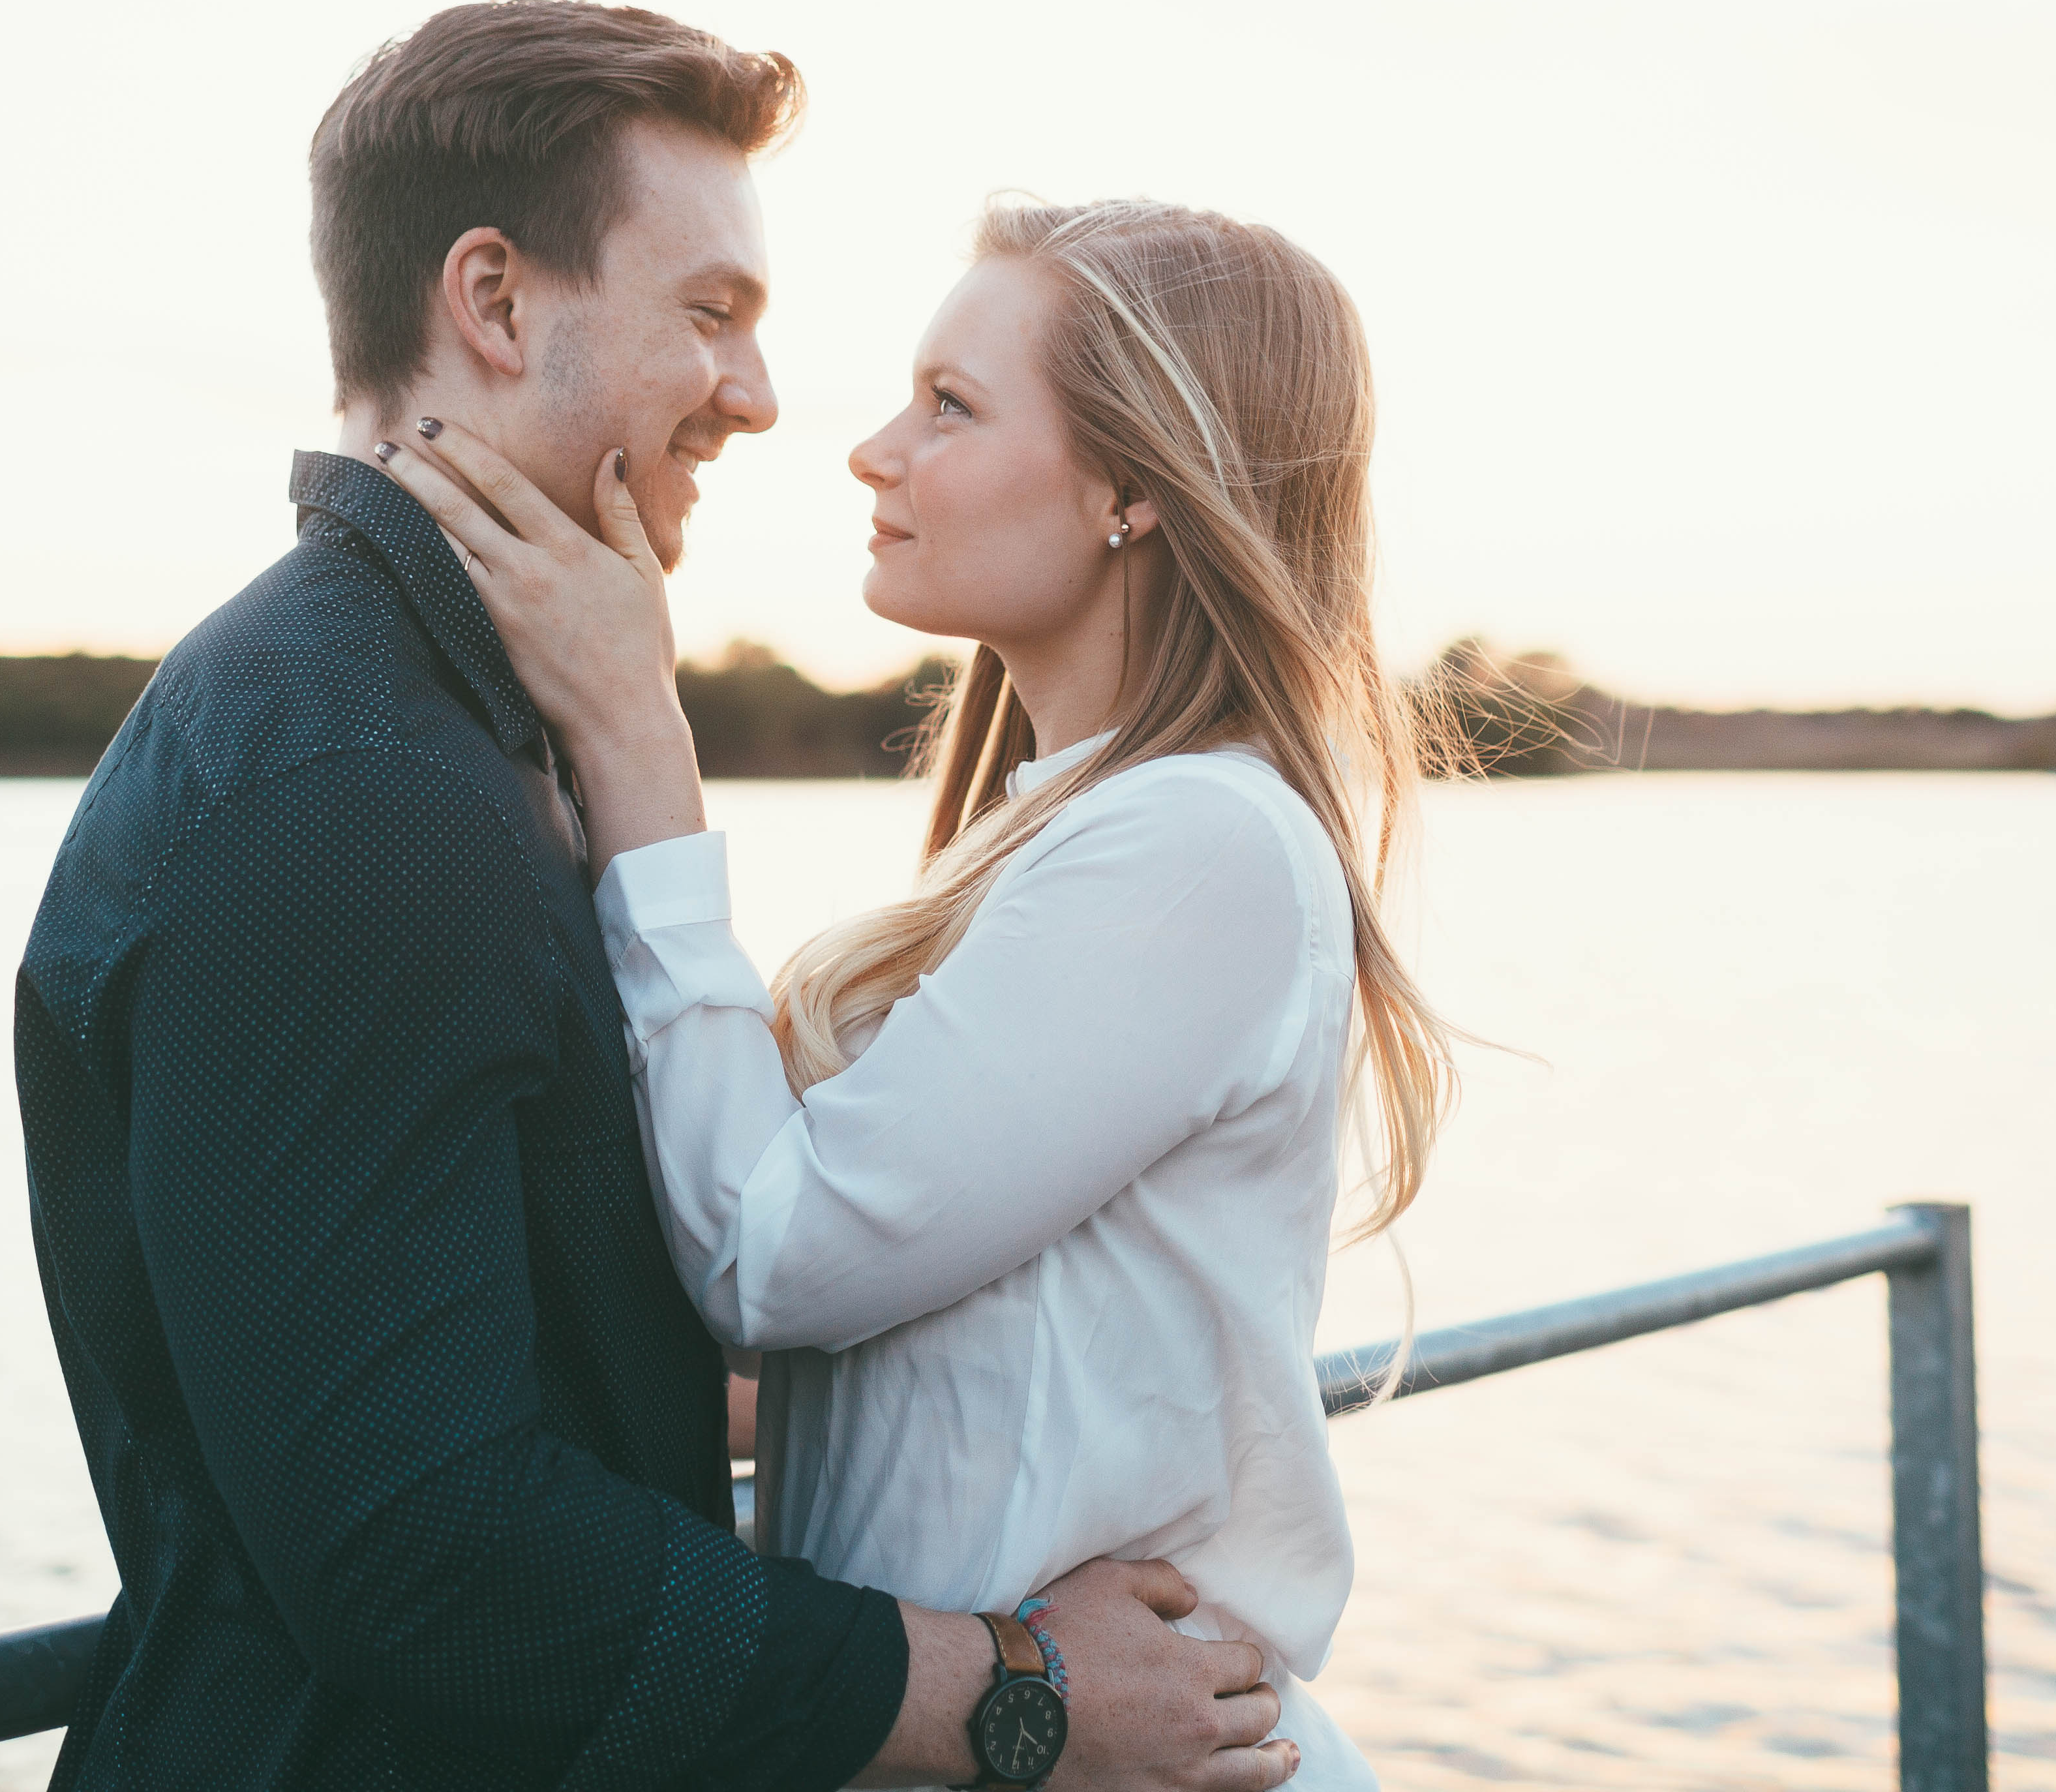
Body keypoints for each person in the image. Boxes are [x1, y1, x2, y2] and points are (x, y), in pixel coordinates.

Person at [14, 2, 1298, 1792]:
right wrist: (1004, 1696)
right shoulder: (352, 790)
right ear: (495, 301)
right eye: (712, 315)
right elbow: (425, 1547)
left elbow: (533, 1341)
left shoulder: (459, 742)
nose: (770, 402)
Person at [369, 196, 1459, 1792]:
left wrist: (638, 746)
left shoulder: (1195, 844)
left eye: (950, 406)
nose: (873, 451)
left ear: (1135, 491)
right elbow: (907, 1328)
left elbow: (777, 1252)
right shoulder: (1070, 830)